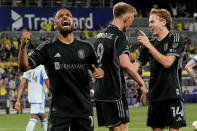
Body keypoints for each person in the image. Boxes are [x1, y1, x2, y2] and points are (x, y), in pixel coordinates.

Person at [18, 8, 104, 131]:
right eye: (60, 16)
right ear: (55, 25)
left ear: (73, 22)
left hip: (83, 110)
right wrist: (23, 46)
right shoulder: (47, 48)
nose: (65, 17)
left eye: (68, 15)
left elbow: (99, 70)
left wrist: (101, 72)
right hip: (59, 111)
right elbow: (24, 67)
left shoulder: (86, 47)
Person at [93, 2, 146, 131]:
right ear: (127, 18)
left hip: (100, 91)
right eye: (132, 19)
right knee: (122, 129)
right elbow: (126, 65)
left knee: (113, 128)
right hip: (114, 92)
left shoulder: (100, 36)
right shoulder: (120, 36)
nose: (131, 23)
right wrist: (141, 83)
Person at [133, 8, 186, 131]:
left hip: (172, 95)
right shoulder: (149, 44)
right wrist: (141, 86)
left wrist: (148, 45)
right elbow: (134, 68)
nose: (149, 25)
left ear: (163, 22)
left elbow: (168, 62)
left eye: (152, 22)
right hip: (155, 97)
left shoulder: (175, 38)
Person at [15, 65, 50, 131]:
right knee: (33, 118)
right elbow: (47, 81)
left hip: (32, 97)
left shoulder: (27, 67)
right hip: (39, 97)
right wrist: (55, 94)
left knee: (43, 118)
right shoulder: (41, 67)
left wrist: (18, 100)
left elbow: (21, 84)